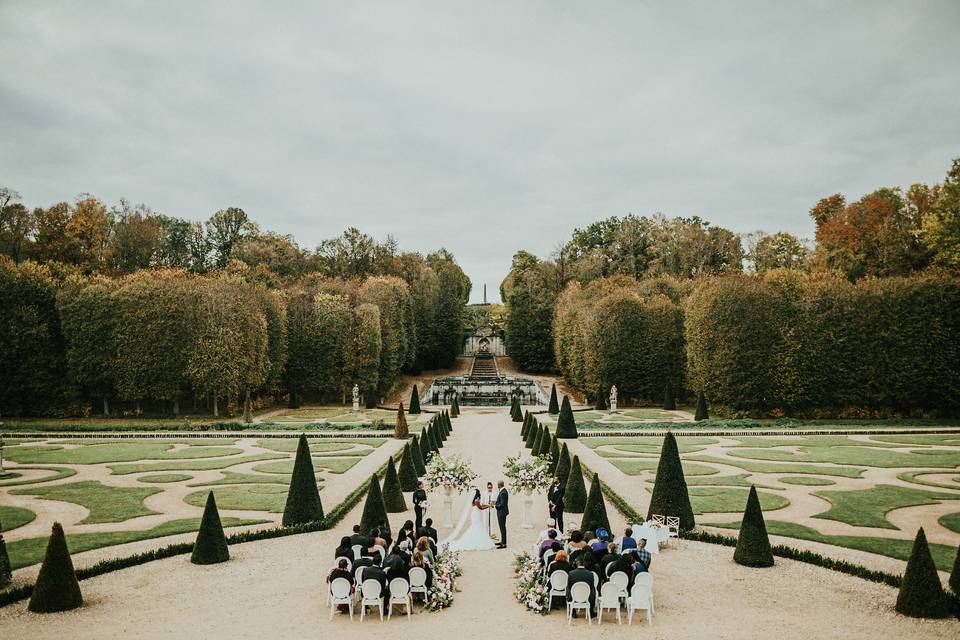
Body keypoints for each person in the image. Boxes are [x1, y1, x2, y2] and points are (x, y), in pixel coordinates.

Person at [495, 479, 510, 548]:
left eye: (497, 484)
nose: (497, 485)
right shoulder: (502, 491)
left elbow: (502, 504)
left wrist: (495, 505)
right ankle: (502, 541)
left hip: (502, 512)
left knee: (502, 528)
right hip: (501, 512)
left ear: (499, 485)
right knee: (502, 527)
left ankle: (504, 544)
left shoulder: (503, 492)